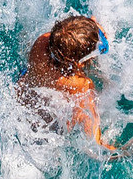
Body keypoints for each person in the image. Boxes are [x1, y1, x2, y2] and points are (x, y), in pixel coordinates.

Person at [19, 12, 115, 150]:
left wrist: (88, 29)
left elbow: (66, 39)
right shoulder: (80, 85)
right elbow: (93, 137)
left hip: (23, 97)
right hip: (45, 130)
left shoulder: (42, 43)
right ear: (79, 63)